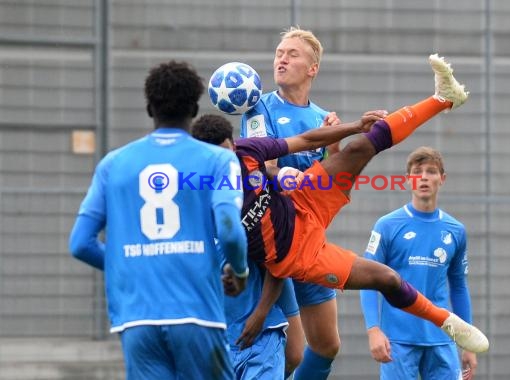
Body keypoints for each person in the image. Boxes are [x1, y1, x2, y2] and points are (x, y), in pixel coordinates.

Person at [194, 53, 490, 364]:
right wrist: (261, 312)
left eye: (231, 151)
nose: (230, 160)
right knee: (385, 279)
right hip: (300, 255)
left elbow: (306, 139)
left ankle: (444, 98)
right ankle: (447, 321)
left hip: (304, 201)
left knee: (361, 145)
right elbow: (271, 261)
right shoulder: (207, 199)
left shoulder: (247, 150)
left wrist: (354, 126)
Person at [68, 60, 249, 380]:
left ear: (150, 108)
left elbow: (80, 244)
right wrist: (239, 270)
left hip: (137, 319)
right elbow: (230, 231)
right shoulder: (220, 160)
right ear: (194, 109)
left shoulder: (114, 164)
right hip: (197, 314)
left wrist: (127, 264)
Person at [241, 26, 343, 380]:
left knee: (327, 346)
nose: (281, 59)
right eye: (279, 53)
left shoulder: (322, 118)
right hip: (275, 240)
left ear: (312, 68)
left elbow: (331, 180)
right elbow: (262, 166)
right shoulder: (258, 109)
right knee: (292, 352)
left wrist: (334, 145)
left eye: (292, 54)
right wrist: (282, 175)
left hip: (310, 239)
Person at [360, 146, 479, 380]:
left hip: (442, 337)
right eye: (417, 171)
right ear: (408, 180)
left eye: (431, 171)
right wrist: (373, 329)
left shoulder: (455, 230)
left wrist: (468, 343)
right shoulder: (387, 225)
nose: (424, 177)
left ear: (442, 179)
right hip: (398, 340)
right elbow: (367, 280)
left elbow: (459, 287)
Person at [196, 114, 300, 380]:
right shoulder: (192, 206)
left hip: (260, 335)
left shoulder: (253, 195)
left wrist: (260, 314)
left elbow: (278, 258)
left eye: (227, 152)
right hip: (214, 342)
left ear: (234, 146)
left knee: (302, 351)